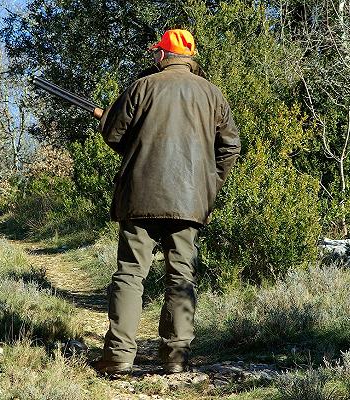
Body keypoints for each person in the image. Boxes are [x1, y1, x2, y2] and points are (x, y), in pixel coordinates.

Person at [92, 29, 240, 375]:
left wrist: (108, 119)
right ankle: (175, 357)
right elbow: (230, 148)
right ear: (191, 57)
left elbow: (115, 135)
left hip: (139, 197)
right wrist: (208, 186)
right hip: (190, 202)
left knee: (130, 274)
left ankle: (118, 358)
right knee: (181, 276)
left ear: (162, 55)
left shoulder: (142, 87)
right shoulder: (213, 95)